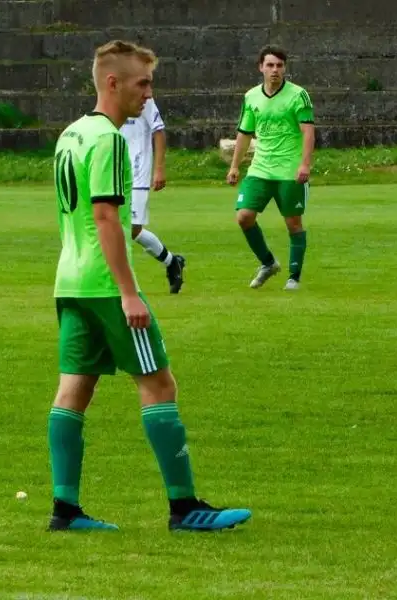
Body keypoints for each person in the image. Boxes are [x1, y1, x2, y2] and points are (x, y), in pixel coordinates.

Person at [48, 40, 251, 532]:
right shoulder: (111, 141)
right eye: (142, 83)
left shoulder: (70, 135)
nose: (148, 93)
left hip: (69, 281)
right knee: (159, 383)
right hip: (103, 283)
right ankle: (185, 508)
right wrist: (128, 291)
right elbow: (104, 216)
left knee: (74, 388)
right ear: (112, 82)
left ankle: (65, 510)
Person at [227, 45, 315, 290]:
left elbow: (308, 132)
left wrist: (304, 164)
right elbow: (244, 133)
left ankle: (293, 277)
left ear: (285, 68)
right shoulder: (251, 96)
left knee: (293, 224)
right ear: (261, 67)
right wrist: (235, 166)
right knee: (244, 217)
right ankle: (268, 263)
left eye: (279, 65)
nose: (275, 70)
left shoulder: (298, 95)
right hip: (260, 169)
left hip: (289, 170)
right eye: (270, 65)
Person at [119, 98, 186, 294]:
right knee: (123, 228)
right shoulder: (110, 96)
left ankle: (124, 284)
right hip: (114, 171)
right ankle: (172, 262)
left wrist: (159, 169)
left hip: (138, 172)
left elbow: (158, 131)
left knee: (131, 229)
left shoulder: (143, 98)